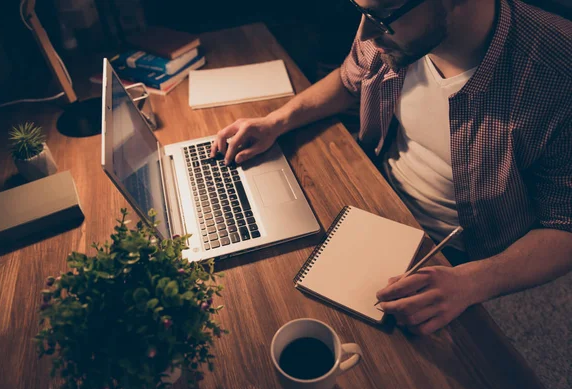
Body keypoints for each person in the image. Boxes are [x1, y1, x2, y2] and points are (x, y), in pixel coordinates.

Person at [210, 0, 572, 335]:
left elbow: (565, 226)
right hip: (379, 192)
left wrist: (473, 282)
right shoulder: (388, 27)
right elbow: (350, 78)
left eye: (380, 17)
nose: (363, 33)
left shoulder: (558, 72)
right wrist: (277, 120)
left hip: (468, 248)